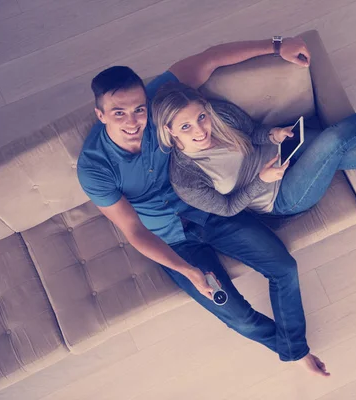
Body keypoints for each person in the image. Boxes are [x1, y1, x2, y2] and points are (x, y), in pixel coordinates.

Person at [76, 36, 330, 377]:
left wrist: (277, 46)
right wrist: (186, 270)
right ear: (100, 114)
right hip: (174, 242)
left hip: (212, 209)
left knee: (284, 267)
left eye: (138, 109)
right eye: (118, 113)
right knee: (236, 314)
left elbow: (209, 59)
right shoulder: (94, 167)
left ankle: (295, 350)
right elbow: (133, 230)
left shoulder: (158, 105)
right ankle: (294, 351)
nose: (133, 121)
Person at [150, 75, 356, 218]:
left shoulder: (218, 113)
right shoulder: (185, 178)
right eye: (186, 127)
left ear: (205, 108)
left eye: (201, 117)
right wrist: (261, 181)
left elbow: (254, 132)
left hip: (285, 151)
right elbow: (227, 208)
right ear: (169, 131)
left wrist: (273, 135)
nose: (201, 130)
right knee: (333, 140)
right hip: (281, 196)